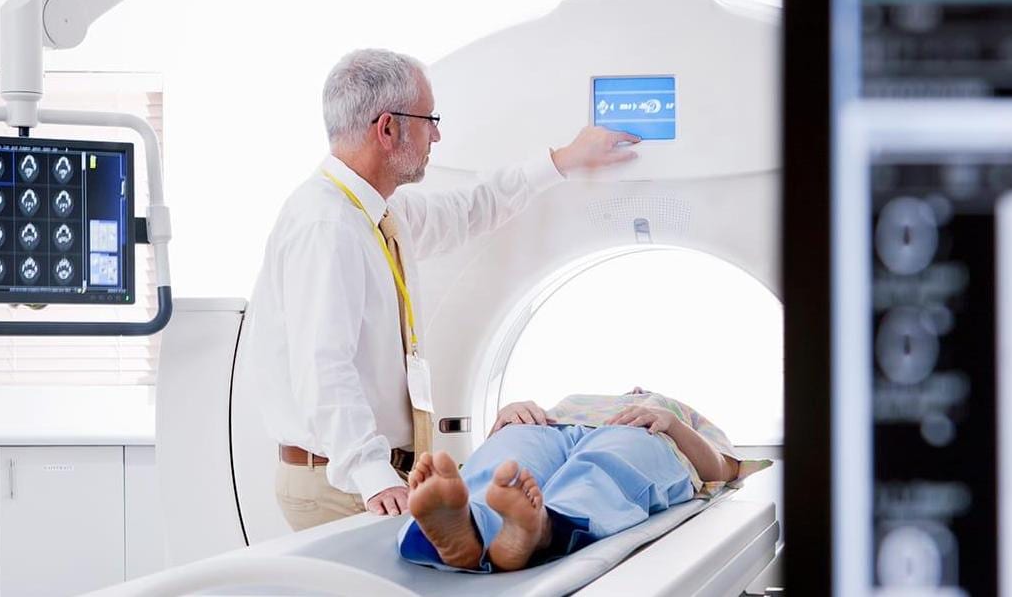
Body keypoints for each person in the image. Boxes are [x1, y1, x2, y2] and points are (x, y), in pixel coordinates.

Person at [238, 48, 640, 531]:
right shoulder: (326, 225)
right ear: (387, 129)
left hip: (375, 474)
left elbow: (473, 209)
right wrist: (373, 475)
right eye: (429, 119)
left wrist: (563, 160)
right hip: (343, 483)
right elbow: (322, 367)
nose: (437, 134)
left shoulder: (382, 214)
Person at [396, 388, 770, 572]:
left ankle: (536, 528)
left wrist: (670, 422)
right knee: (510, 449)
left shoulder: (671, 414)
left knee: (603, 465)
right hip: (553, 426)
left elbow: (722, 471)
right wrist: (510, 414)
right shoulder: (575, 398)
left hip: (638, 434)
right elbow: (515, 429)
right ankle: (467, 525)